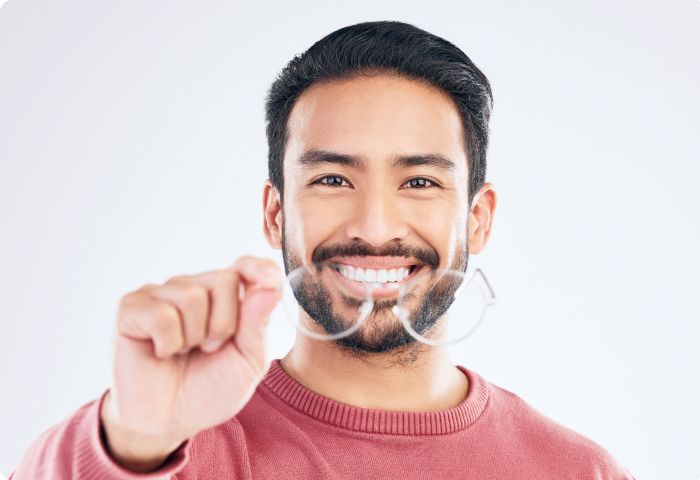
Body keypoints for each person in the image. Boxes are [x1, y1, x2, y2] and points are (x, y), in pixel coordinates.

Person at [10, 20, 636, 479]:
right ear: (275, 212)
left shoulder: (577, 471)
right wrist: (134, 434)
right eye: (333, 180)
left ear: (477, 220)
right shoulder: (172, 451)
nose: (373, 223)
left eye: (419, 181)